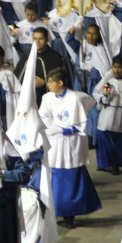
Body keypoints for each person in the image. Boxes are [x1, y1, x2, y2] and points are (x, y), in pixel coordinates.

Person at [39, 68, 101, 229]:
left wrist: (62, 129)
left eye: (51, 81)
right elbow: (43, 116)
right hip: (53, 144)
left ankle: (70, 216)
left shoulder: (74, 98)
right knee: (54, 179)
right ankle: (56, 211)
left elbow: (80, 125)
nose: (48, 84)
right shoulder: (46, 97)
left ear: (61, 83)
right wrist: (48, 128)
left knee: (71, 180)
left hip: (69, 144)